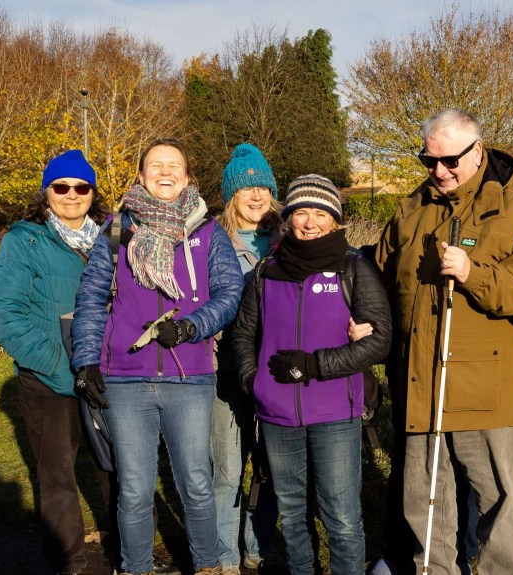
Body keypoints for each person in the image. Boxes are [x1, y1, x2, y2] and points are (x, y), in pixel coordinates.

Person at [373, 108, 513, 574]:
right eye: (429, 160)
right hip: (421, 383)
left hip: (486, 389)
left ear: (478, 151)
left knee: (497, 503)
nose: (439, 171)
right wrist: (365, 321)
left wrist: (474, 273)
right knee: (424, 503)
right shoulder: (411, 209)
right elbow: (377, 278)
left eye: (450, 160)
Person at [71, 138, 244, 575]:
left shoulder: (207, 231)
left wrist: (191, 327)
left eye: (174, 166)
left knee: (197, 485)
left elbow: (229, 292)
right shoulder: (116, 229)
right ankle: (136, 567)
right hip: (125, 377)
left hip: (190, 377)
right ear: (141, 174)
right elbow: (92, 298)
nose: (165, 173)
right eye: (155, 165)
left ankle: (207, 565)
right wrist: (86, 360)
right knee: (133, 489)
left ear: (187, 176)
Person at [230, 173, 391, 575]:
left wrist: (316, 365)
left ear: (335, 219)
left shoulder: (354, 267)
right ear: (288, 218)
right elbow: (244, 333)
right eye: (301, 211)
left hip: (336, 411)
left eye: (320, 212)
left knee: (342, 517)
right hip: (277, 414)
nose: (310, 221)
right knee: (292, 513)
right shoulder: (266, 271)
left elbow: (379, 340)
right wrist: (257, 384)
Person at [0, 150, 108, 575]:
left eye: (81, 186)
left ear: (92, 192)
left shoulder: (113, 239)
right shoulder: (24, 240)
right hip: (49, 379)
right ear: (47, 191)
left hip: (107, 376)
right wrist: (58, 362)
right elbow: (4, 313)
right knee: (57, 477)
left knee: (118, 469)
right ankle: (68, 561)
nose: (71, 195)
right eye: (61, 186)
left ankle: (129, 554)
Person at [212, 143, 281, 574]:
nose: (256, 196)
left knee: (270, 470)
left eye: (262, 186)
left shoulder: (290, 239)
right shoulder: (211, 243)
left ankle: (259, 551)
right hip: (225, 372)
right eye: (245, 188)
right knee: (226, 470)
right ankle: (224, 558)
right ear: (231, 196)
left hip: (275, 374)